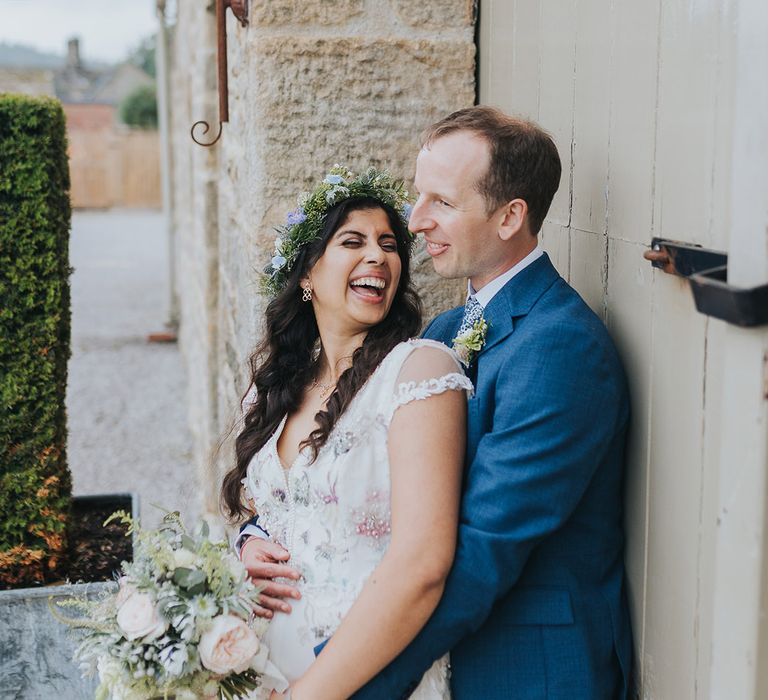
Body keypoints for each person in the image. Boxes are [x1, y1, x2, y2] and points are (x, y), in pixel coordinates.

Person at [244, 108, 634, 699]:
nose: (417, 221)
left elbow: (480, 550)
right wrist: (257, 537)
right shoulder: (448, 329)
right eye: (418, 197)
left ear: (509, 217)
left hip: (526, 670)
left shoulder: (561, 346)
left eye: (442, 202)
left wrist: (336, 686)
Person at [221, 165, 473, 699]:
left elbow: (423, 564)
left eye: (389, 244)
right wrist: (248, 545)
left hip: (361, 677)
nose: (379, 256)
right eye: (353, 241)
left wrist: (312, 694)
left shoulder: (418, 373)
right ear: (307, 276)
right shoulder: (276, 388)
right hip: (261, 670)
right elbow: (275, 510)